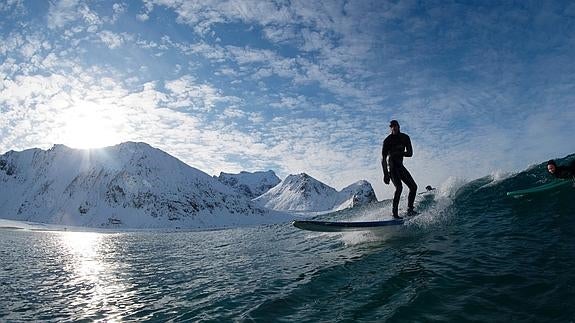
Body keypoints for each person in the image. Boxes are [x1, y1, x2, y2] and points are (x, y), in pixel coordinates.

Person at [381, 120, 418, 219]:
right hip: (392, 167)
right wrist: (385, 174)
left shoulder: (405, 138)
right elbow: (383, 159)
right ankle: (395, 213)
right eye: (391, 126)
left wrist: (398, 153)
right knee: (399, 188)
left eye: (395, 126)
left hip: (400, 166)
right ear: (390, 128)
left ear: (398, 126)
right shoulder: (387, 141)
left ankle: (410, 210)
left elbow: (410, 153)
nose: (394, 128)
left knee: (413, 187)